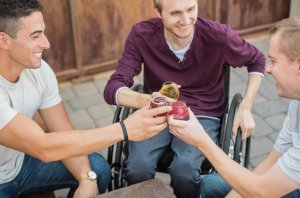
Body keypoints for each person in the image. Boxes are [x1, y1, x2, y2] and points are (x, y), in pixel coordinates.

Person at [0, 0, 171, 197]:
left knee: (97, 169)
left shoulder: (38, 70)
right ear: (4, 40)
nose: (46, 43)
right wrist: (125, 129)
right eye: (35, 36)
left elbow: (62, 130)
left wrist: (86, 178)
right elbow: (43, 147)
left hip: (21, 165)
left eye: (43, 33)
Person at [103, 0, 266, 197]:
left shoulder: (218, 36)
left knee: (185, 169)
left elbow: (256, 60)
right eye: (175, 13)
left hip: (204, 113)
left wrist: (246, 107)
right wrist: (146, 101)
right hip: (158, 110)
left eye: (191, 9)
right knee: (137, 167)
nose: (186, 20)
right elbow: (112, 88)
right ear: (158, 11)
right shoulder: (142, 35)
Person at [168, 18, 300, 198]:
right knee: (211, 184)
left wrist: (201, 140)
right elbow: (269, 165)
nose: (268, 69)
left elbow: (261, 192)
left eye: (274, 61)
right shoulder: (297, 103)